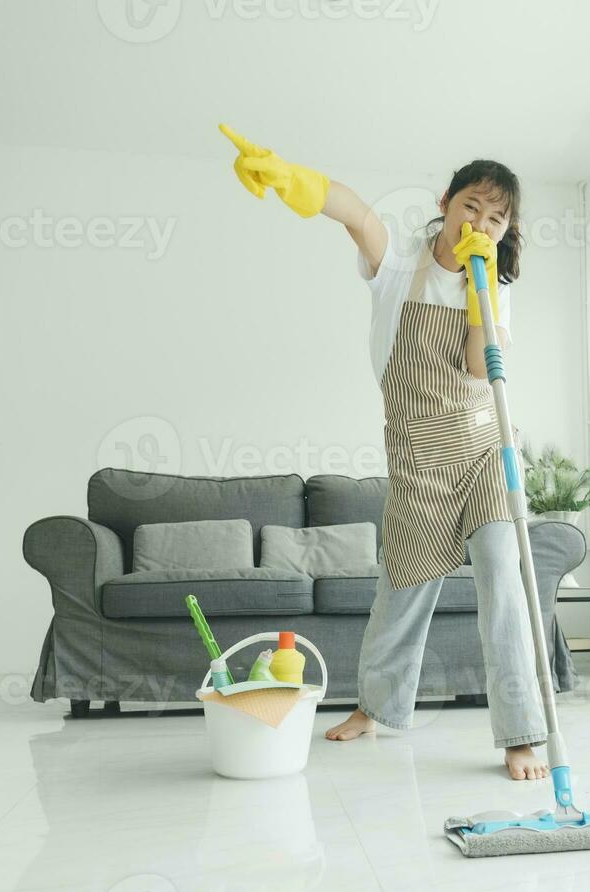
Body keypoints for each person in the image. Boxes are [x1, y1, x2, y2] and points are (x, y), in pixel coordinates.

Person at [220, 124, 550, 780]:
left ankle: (520, 733)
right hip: (418, 461)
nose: (480, 221)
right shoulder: (398, 269)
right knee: (400, 589)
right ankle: (376, 707)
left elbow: (478, 369)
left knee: (500, 572)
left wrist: (484, 280)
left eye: (496, 215)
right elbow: (355, 214)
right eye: (470, 207)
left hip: (485, 451)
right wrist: (291, 177)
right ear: (445, 202)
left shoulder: (494, 287)